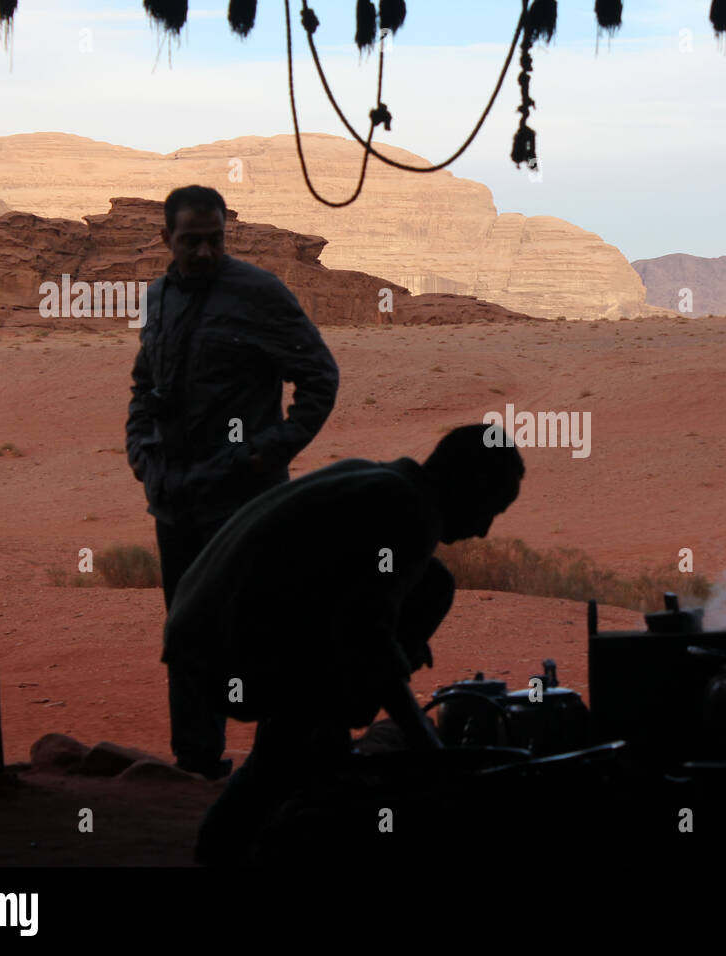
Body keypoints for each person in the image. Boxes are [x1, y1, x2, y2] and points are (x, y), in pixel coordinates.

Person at [160, 424, 524, 864]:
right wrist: (429, 749)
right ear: (468, 484)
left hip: (199, 628)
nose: (484, 531)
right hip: (221, 647)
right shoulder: (410, 511)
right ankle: (247, 823)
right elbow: (365, 635)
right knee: (285, 752)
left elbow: (350, 604)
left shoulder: (379, 480)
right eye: (490, 510)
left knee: (432, 582)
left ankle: (307, 753)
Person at [125, 184, 340, 779]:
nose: (203, 252)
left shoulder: (257, 293)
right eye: (190, 241)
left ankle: (287, 764)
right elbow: (144, 386)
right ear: (166, 239)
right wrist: (142, 455)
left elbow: (319, 379)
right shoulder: (159, 297)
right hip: (175, 503)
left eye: (214, 239)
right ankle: (196, 767)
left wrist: (263, 455)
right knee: (187, 632)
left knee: (265, 630)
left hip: (245, 504)